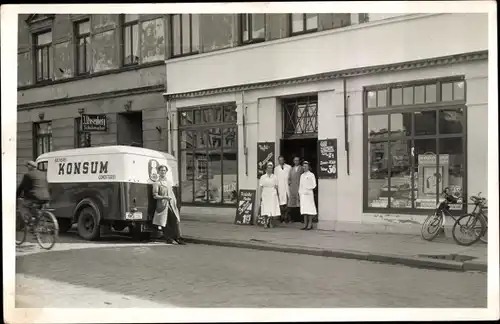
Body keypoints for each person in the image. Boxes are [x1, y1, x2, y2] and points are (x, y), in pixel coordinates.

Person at [152, 165, 186, 245]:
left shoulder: (169, 182)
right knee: (165, 222)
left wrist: (174, 201)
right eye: (161, 170)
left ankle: (178, 238)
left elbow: (171, 193)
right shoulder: (156, 183)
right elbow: (155, 196)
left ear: (166, 172)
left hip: (171, 204)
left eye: (164, 170)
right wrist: (164, 197)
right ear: (158, 172)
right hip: (163, 204)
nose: (163, 172)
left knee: (175, 220)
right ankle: (169, 238)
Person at [259, 161, 280, 228]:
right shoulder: (263, 177)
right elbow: (261, 187)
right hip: (265, 193)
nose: (270, 170)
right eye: (269, 168)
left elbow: (276, 187)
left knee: (271, 208)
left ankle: (270, 222)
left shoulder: (275, 177)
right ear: (266, 169)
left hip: (272, 193)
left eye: (271, 168)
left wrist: (277, 195)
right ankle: (265, 222)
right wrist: (260, 195)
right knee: (265, 208)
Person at [299, 161, 317, 230]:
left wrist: (308, 188)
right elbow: (300, 185)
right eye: (303, 166)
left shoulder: (311, 175)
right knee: (304, 209)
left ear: (308, 167)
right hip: (303, 194)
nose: (304, 167)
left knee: (310, 209)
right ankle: (305, 224)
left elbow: (314, 185)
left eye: (306, 166)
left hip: (309, 194)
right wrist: (299, 193)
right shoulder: (302, 175)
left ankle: (310, 224)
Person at [274, 156, 291, 223]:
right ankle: (282, 216)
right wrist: (276, 188)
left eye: (282, 160)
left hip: (287, 187)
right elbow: (275, 179)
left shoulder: (289, 167)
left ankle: (286, 216)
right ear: (278, 161)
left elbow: (291, 176)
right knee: (281, 203)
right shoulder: (276, 169)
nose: (281, 161)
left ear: (284, 160)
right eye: (280, 160)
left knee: (288, 203)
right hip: (280, 187)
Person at [287, 156, 303, 223]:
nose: (296, 161)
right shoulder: (291, 169)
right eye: (295, 160)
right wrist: (290, 183)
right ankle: (293, 218)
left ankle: (301, 219)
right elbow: (289, 178)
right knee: (292, 204)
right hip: (293, 188)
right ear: (293, 161)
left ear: (299, 161)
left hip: (299, 187)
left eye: (297, 160)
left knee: (300, 203)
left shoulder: (301, 168)